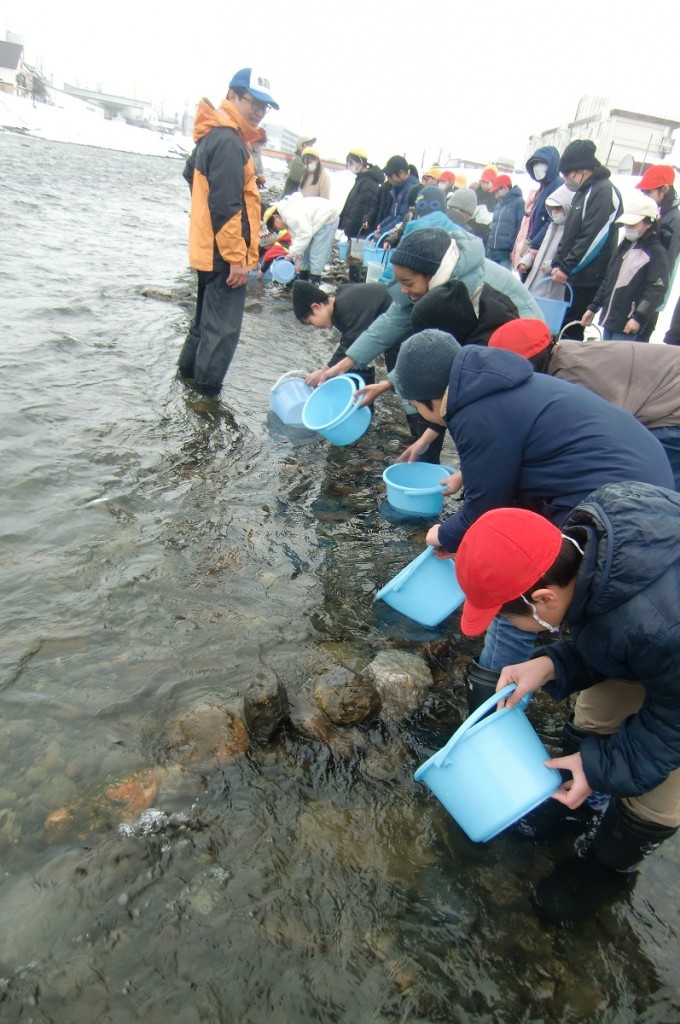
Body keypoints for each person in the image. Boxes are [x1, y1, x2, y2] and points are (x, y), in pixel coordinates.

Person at [453, 482, 680, 922]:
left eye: (513, 618)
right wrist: (552, 663)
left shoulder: (657, 626)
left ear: (544, 598)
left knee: (658, 790)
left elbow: (671, 722)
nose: (520, 627)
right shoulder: (591, 536)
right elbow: (611, 634)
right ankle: (581, 804)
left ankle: (609, 865)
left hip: (670, 651)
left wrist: (599, 768)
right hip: (662, 644)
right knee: (598, 715)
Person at [392, 328, 673, 682]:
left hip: (615, 496)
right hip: (650, 480)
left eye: (415, 406)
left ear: (431, 400)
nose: (417, 412)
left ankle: (494, 685)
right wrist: (469, 477)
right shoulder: (491, 383)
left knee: (517, 582)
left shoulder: (473, 414)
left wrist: (443, 535)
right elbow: (516, 456)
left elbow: (483, 512)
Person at [178, 68, 279, 397]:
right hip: (224, 256)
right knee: (221, 333)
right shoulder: (228, 139)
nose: (260, 111)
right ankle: (204, 404)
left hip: (209, 250)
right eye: (254, 102)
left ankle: (186, 384)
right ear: (232, 96)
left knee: (203, 326)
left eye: (265, 107)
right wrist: (237, 258)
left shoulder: (215, 133)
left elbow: (190, 172)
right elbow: (225, 204)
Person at [488, 317, 680, 488]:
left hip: (671, 409)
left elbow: (598, 440)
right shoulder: (563, 353)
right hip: (662, 390)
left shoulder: (570, 378)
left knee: (650, 492)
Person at [550, 139, 622, 338]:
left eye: (567, 174)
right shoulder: (583, 192)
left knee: (572, 330)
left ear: (581, 170)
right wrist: (558, 262)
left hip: (589, 275)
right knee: (562, 327)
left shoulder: (603, 191)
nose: (566, 179)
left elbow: (593, 238)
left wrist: (567, 267)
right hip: (574, 275)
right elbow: (570, 232)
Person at [581, 193, 669, 341]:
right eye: (627, 225)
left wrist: (638, 317)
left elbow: (656, 288)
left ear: (648, 223)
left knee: (618, 361)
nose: (628, 229)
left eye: (633, 225)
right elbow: (609, 279)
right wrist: (594, 307)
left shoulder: (656, 252)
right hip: (610, 319)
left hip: (628, 323)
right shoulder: (625, 245)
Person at [292, 280, 392, 386]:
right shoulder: (342, 302)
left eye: (311, 322)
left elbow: (353, 343)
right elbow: (351, 343)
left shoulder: (346, 307)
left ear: (316, 307)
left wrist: (324, 372)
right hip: (392, 329)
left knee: (401, 382)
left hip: (404, 324)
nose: (315, 327)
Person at [268, 194, 339, 285]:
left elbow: (305, 234)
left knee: (317, 253)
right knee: (305, 254)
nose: (278, 230)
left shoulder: (289, 215)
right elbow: (297, 240)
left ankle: (314, 284)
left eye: (275, 228)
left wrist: (291, 254)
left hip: (327, 217)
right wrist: (297, 260)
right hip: (315, 220)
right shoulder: (287, 220)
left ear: (276, 217)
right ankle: (302, 283)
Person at [636, 164, 680, 310]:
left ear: (665, 189)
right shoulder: (655, 212)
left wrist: (650, 299)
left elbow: (665, 263)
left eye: (649, 192)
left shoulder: (673, 220)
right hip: (637, 289)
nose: (646, 197)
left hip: (650, 296)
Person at [518, 185, 573, 298]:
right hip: (535, 281)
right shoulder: (551, 226)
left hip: (549, 286)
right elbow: (539, 250)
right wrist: (525, 262)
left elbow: (569, 257)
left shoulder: (570, 231)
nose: (554, 212)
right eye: (552, 209)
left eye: (558, 208)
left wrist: (551, 265)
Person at [485, 175, 525, 268]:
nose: (495, 194)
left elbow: (520, 228)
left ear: (505, 188)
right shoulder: (499, 204)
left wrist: (514, 250)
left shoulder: (519, 202)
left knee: (501, 280)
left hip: (506, 254)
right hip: (491, 252)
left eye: (496, 191)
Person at [375, 156, 420, 235]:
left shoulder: (411, 190)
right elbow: (393, 215)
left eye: (390, 176)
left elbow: (403, 217)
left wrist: (383, 231)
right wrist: (382, 225)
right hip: (394, 230)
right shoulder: (398, 188)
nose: (388, 179)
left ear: (401, 173)